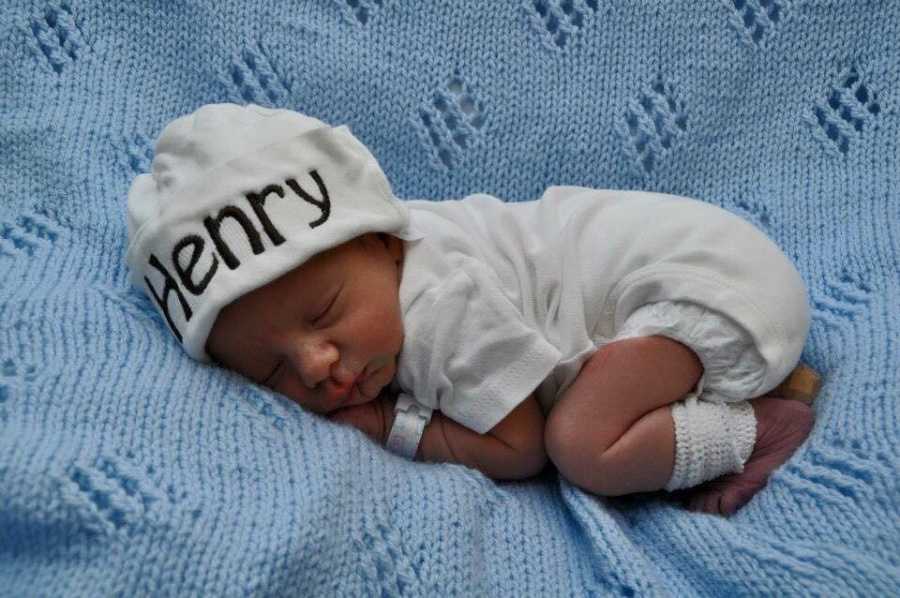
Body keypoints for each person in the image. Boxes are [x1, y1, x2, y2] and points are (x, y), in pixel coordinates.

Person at [126, 104, 814, 515]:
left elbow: (520, 448)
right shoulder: (374, 272)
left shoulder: (433, 306)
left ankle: (758, 429)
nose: (315, 366)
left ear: (381, 242)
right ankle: (701, 391)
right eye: (272, 371)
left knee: (581, 446)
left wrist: (394, 426)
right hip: (712, 276)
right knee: (599, 404)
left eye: (324, 312)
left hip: (708, 286)